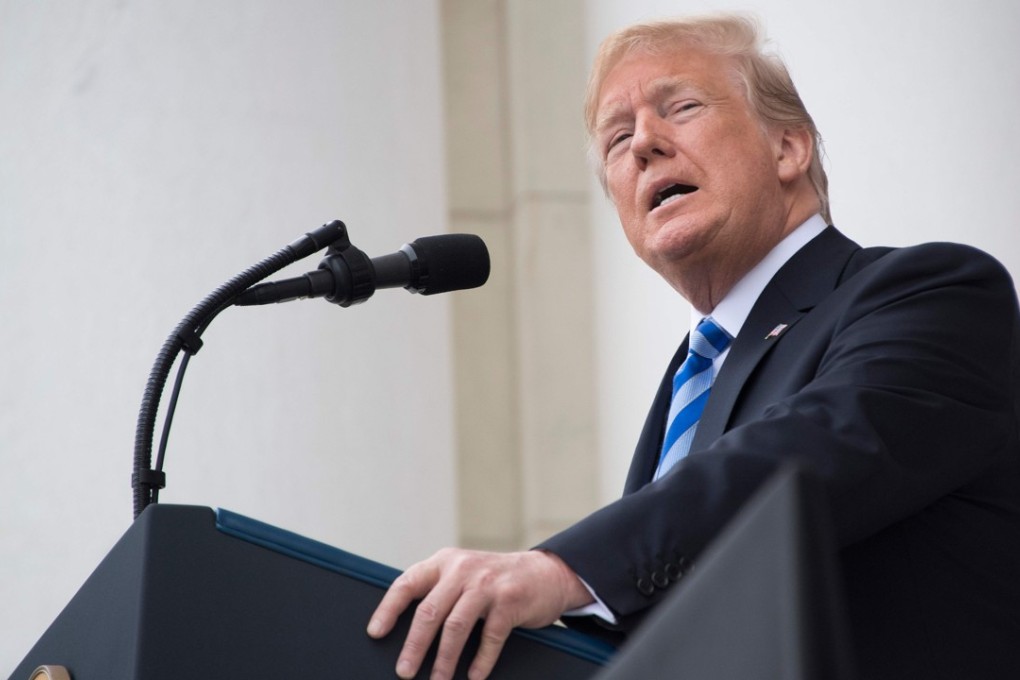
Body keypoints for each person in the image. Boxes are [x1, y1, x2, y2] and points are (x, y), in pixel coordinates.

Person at [368, 13, 1020, 680]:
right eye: (617, 139)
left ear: (787, 147)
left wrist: (565, 568)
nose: (644, 143)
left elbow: (796, 469)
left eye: (680, 107)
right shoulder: (692, 379)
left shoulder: (934, 293)